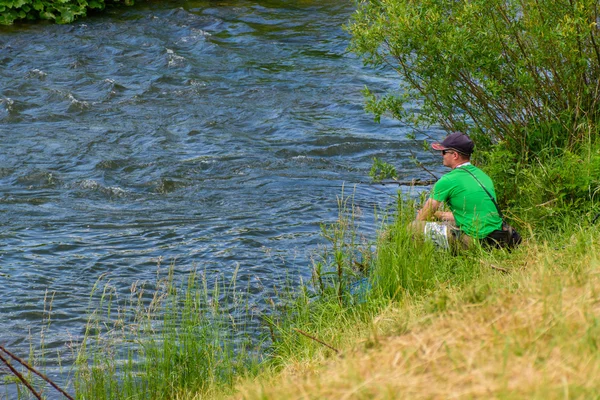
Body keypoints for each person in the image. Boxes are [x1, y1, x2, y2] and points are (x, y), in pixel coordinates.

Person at [411, 132, 503, 249]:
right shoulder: (482, 175)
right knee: (444, 223)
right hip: (495, 238)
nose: (441, 155)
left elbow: (421, 218)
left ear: (454, 155)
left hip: (474, 241)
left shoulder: (448, 180)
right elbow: (472, 214)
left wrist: (425, 215)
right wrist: (439, 215)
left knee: (413, 228)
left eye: (444, 152)